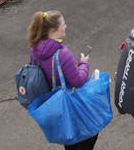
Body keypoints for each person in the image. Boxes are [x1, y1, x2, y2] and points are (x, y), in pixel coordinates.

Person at [27, 11, 97, 150]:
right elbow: (77, 81)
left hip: (52, 102)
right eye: (63, 24)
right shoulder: (62, 54)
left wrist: (70, 68)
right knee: (91, 131)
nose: (66, 26)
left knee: (68, 135)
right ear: (53, 30)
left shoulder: (34, 49)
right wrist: (84, 64)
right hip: (68, 102)